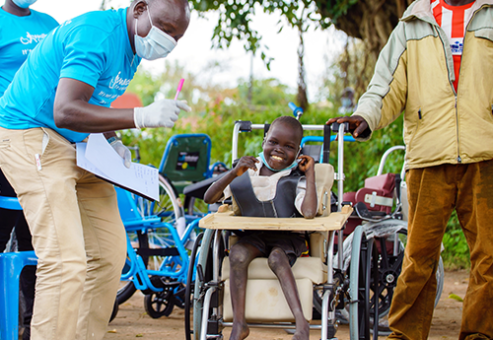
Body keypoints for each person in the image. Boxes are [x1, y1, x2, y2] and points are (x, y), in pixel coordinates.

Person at [0, 0, 191, 339]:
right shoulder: (96, 33)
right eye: (165, 29)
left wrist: (113, 140)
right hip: (29, 133)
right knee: (65, 261)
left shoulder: (132, 47)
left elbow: (95, 100)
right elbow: (66, 110)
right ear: (139, 9)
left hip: (79, 145)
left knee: (109, 256)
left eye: (177, 36)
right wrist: (139, 116)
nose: (168, 40)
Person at [327, 0, 493, 338]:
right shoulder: (412, 24)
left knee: (490, 257)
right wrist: (365, 117)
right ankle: (405, 335)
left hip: (486, 153)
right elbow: (384, 87)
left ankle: (480, 334)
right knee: (419, 256)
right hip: (428, 158)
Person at [204, 116, 317, 340]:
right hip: (253, 235)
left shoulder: (296, 177)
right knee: (236, 253)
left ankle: (301, 324)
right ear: (264, 141)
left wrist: (310, 174)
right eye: (273, 142)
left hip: (286, 239)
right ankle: (239, 325)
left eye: (289, 146)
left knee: (277, 257)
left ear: (299, 150)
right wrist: (233, 173)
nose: (278, 150)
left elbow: (310, 212)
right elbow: (209, 197)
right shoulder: (249, 171)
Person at [0, 1, 58, 339]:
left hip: (44, 142)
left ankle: (30, 327)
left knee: (35, 241)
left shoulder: (49, 23)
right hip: (7, 139)